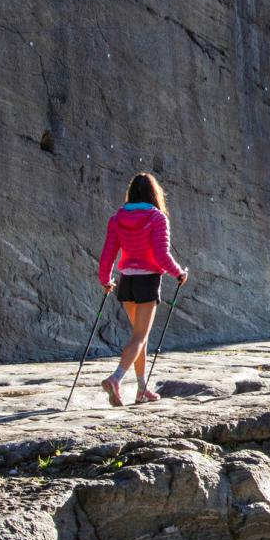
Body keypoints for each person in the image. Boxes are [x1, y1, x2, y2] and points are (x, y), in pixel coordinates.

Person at [96, 173, 187, 405]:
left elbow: (109, 253)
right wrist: (179, 272)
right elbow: (161, 255)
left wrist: (106, 280)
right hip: (148, 282)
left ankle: (142, 389)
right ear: (153, 194)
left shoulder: (117, 219)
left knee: (141, 338)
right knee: (140, 336)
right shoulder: (157, 218)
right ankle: (116, 378)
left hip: (126, 281)